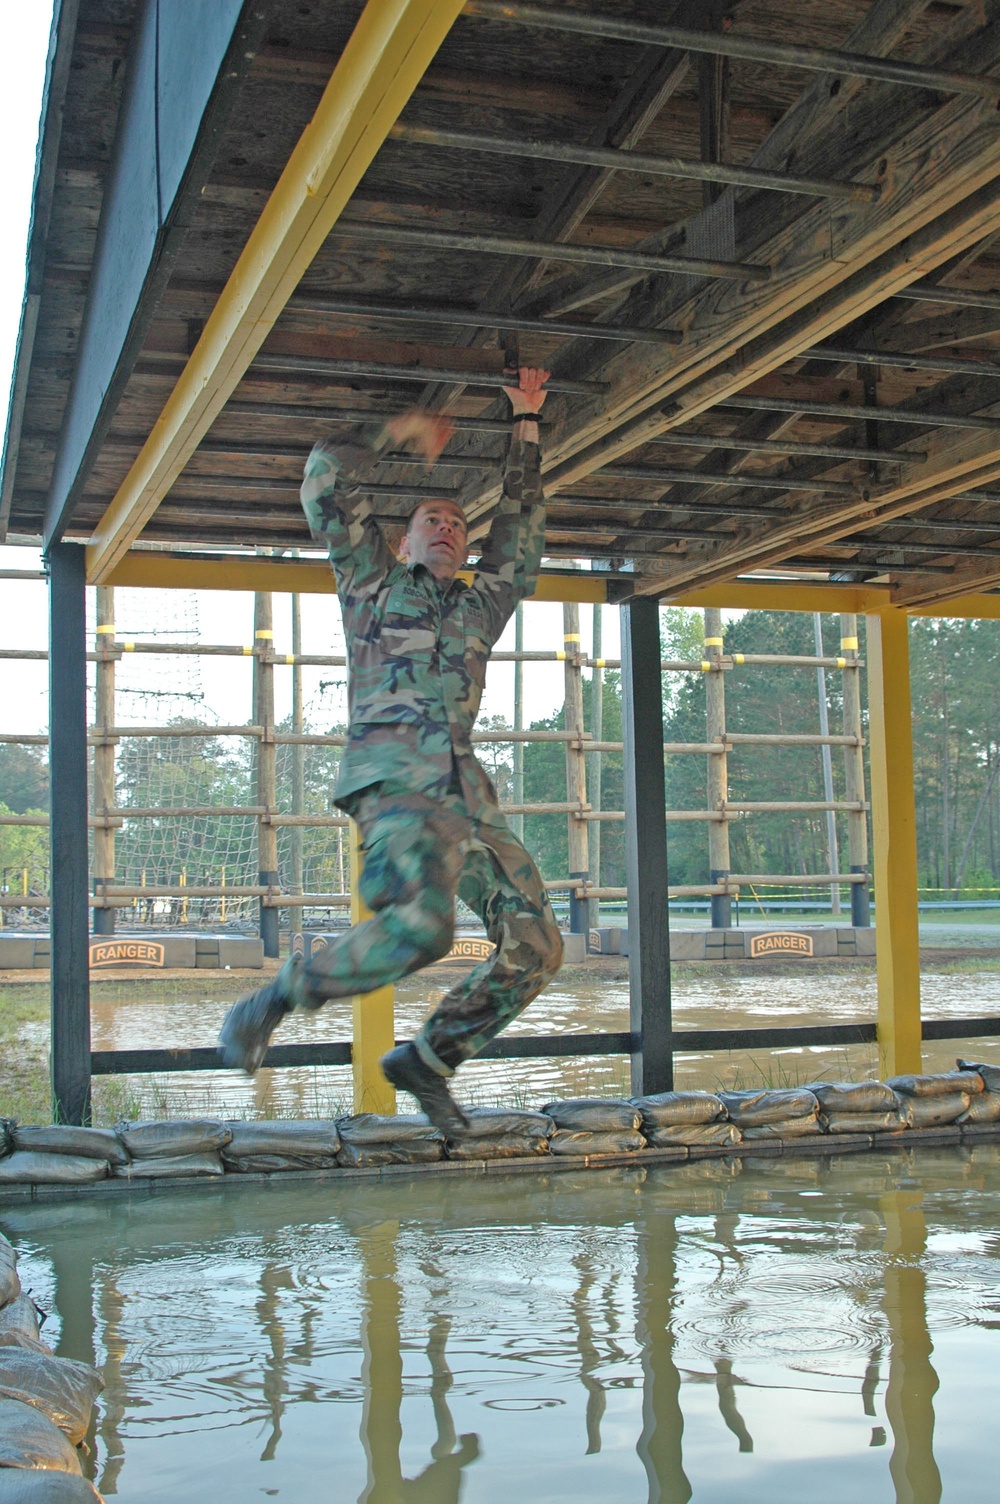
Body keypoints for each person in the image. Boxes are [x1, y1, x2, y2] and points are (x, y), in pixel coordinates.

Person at [218, 368, 564, 1134]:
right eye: (431, 519)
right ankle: (273, 1000)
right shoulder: (371, 583)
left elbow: (522, 528)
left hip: (466, 794)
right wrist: (397, 430)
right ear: (403, 539)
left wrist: (528, 427)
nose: (446, 528)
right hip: (397, 786)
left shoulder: (483, 602)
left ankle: (429, 1060)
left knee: (537, 945)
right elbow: (323, 483)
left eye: (455, 524)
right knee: (423, 928)